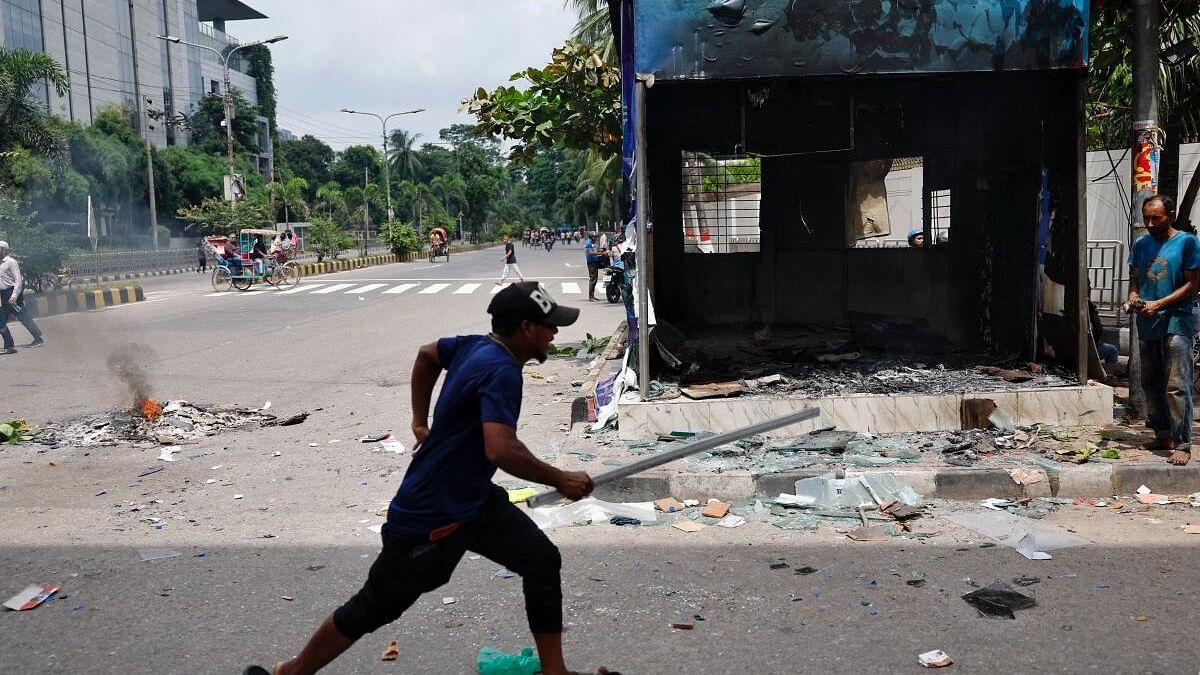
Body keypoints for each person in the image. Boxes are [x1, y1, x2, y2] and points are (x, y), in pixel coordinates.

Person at [244, 282, 593, 675]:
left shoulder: (475, 346)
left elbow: (427, 355)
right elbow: (501, 448)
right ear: (527, 329)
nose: (555, 333)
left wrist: (419, 420)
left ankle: (554, 671)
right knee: (374, 605)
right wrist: (560, 479)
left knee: (541, 560)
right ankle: (292, 672)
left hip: (472, 500)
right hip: (432, 514)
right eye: (549, 326)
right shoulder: (502, 371)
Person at [1126, 194, 1200, 466]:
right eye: (1146, 218)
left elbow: (1193, 285)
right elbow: (1134, 278)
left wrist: (1160, 304)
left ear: (1169, 215)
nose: (1150, 223)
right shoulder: (1141, 244)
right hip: (1147, 321)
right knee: (1151, 382)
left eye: (1156, 218)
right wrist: (1133, 296)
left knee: (1176, 385)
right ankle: (1163, 433)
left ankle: (1182, 443)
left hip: (1177, 321)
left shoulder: (1187, 243)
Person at [0, 241, 45, 354]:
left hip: (12, 293)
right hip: (3, 294)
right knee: (0, 321)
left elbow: (18, 280)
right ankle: (9, 346)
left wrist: (14, 295)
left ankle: (38, 338)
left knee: (23, 316)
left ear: (4, 250)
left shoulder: (11, 262)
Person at [584, 233, 605, 302]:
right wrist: (600, 253)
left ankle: (593, 295)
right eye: (595, 237)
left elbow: (595, 251)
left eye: (596, 237)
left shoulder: (593, 243)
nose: (596, 238)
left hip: (595, 262)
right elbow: (591, 252)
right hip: (591, 263)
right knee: (593, 279)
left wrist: (600, 251)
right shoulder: (588, 243)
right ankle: (591, 297)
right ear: (591, 237)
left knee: (595, 279)